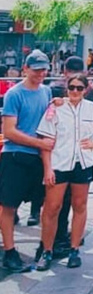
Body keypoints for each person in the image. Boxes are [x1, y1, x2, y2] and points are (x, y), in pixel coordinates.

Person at [35, 74, 93, 270]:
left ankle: (74, 249)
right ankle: (47, 250)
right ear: (67, 88)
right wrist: (47, 168)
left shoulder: (92, 109)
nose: (75, 91)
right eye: (72, 87)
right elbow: (45, 142)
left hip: (83, 163)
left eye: (80, 88)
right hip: (59, 163)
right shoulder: (56, 108)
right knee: (52, 207)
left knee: (79, 205)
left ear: (86, 89)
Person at [0, 50, 53, 273]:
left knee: (41, 204)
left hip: (38, 157)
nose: (41, 73)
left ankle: (45, 246)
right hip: (16, 155)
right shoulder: (14, 94)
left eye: (44, 69)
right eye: (37, 69)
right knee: (8, 205)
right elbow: (10, 131)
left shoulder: (47, 91)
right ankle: (10, 251)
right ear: (26, 69)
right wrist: (40, 144)